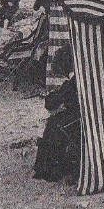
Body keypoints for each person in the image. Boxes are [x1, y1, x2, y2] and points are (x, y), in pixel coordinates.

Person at [34, 45, 81, 182]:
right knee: (56, 121)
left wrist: (52, 94)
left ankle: (49, 170)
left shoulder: (72, 83)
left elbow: (51, 104)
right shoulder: (79, 79)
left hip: (78, 119)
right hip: (85, 117)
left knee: (54, 124)